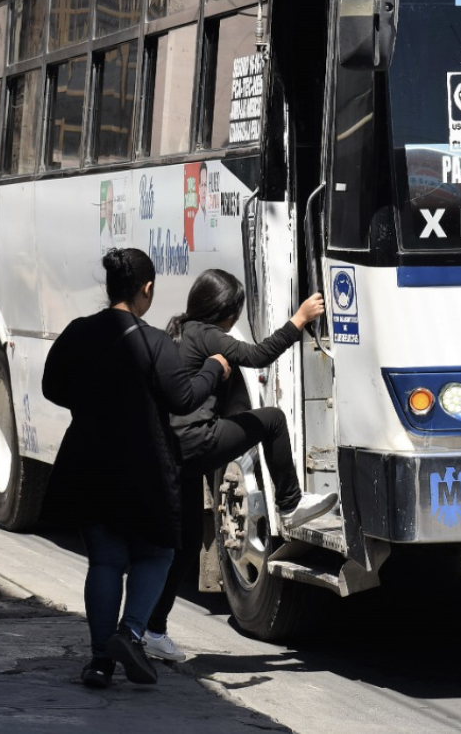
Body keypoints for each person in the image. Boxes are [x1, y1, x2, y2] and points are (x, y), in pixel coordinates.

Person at [40, 247, 230, 689]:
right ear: (146, 289)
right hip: (143, 463)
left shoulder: (78, 333)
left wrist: (92, 406)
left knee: (105, 561)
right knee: (158, 551)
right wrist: (213, 370)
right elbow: (183, 399)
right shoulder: (155, 342)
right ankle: (130, 633)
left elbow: (52, 387)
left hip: (87, 458)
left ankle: (100, 662)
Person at [141, 269, 336, 662]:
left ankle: (151, 629)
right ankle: (289, 503)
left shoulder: (178, 331)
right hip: (201, 442)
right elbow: (258, 355)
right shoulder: (208, 334)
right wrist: (299, 320)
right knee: (273, 420)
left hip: (173, 451)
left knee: (185, 546)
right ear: (225, 312)